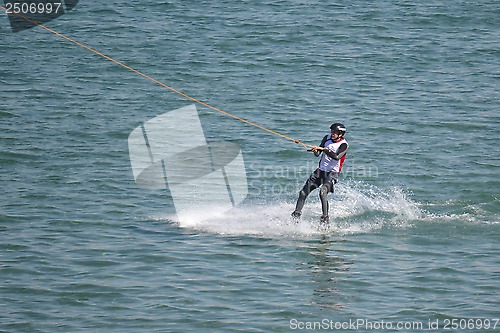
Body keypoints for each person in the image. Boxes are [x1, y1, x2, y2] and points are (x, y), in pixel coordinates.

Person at [291, 123, 348, 227]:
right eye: (331, 131)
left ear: (340, 134)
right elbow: (318, 154)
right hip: (320, 171)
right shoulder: (327, 138)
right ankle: (296, 215)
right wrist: (316, 150)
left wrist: (324, 150)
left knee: (322, 192)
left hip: (332, 173)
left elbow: (336, 156)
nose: (332, 134)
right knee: (303, 193)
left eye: (334, 132)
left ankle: (325, 218)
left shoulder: (344, 145)